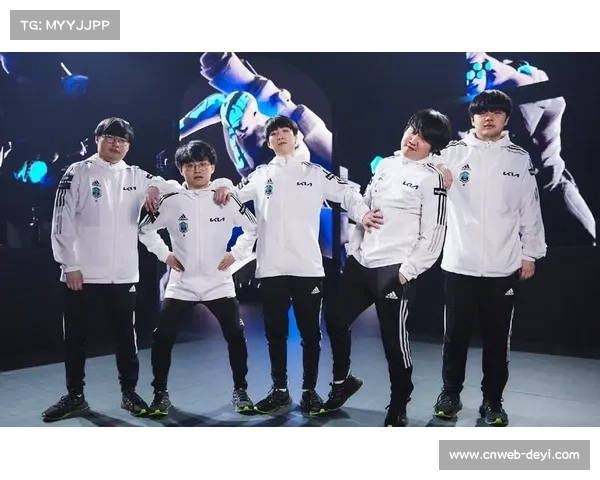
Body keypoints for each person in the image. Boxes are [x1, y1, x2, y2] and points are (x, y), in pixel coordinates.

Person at [212, 115, 382, 416]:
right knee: (275, 334)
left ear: (296, 137)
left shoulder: (314, 173)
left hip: (307, 269)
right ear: (268, 142)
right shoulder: (260, 175)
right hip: (271, 269)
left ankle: (309, 391)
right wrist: (222, 183)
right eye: (274, 133)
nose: (280, 136)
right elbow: (232, 193)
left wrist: (363, 213)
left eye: (285, 131)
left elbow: (347, 192)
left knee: (310, 335)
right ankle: (279, 391)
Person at [322, 109, 451, 428]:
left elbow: (434, 234)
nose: (414, 139)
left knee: (394, 343)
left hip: (394, 270)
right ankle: (342, 382)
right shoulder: (386, 165)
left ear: (432, 147)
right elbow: (366, 205)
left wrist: (406, 272)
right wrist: (354, 246)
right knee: (335, 319)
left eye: (423, 138)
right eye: (412, 130)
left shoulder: (432, 177)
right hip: (361, 262)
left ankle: (399, 402)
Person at [42, 117, 169, 422]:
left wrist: (154, 188)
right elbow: (61, 220)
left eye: (122, 140)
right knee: (76, 338)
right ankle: (75, 396)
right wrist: (69, 264)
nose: (116, 144)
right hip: (81, 274)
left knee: (126, 339)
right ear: (97, 138)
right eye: (110, 138)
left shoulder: (136, 174)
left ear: (129, 146)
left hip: (123, 274)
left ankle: (129, 393)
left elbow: (168, 185)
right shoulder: (78, 172)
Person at [433, 90, 547, 427]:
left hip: (503, 266)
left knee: (497, 340)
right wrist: (436, 166)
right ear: (472, 118)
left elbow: (530, 208)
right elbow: (416, 165)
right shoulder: (451, 153)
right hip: (460, 263)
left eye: (496, 112)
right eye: (483, 112)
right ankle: (449, 395)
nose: (489, 117)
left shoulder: (518, 158)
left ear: (506, 119)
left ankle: (493, 401)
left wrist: (530, 253)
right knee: (455, 336)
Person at [138, 140, 258, 415]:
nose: (197, 170)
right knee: (162, 337)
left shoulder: (225, 196)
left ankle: (241, 391)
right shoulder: (172, 200)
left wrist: (236, 254)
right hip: (182, 284)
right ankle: (160, 394)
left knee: (236, 336)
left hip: (219, 283)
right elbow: (145, 230)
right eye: (190, 165)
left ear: (212, 167)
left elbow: (252, 227)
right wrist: (165, 255)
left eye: (203, 164)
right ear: (181, 169)